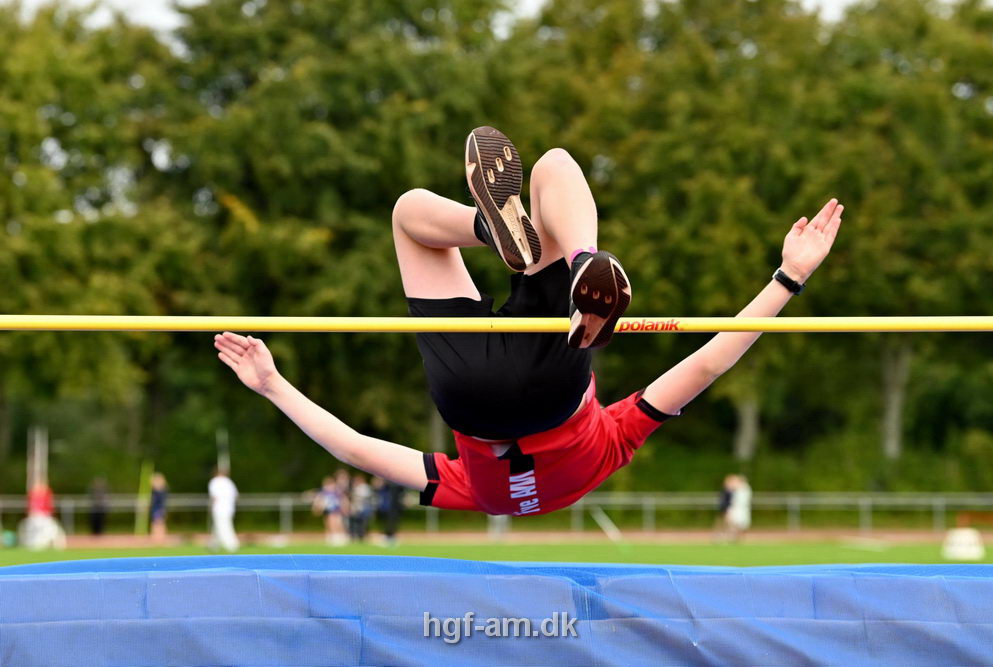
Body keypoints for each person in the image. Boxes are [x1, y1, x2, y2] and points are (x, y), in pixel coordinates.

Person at [214, 126, 843, 517]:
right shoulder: (476, 494)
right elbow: (356, 450)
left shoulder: (604, 457)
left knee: (555, 168)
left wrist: (788, 276)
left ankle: (561, 254)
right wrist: (271, 382)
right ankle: (496, 233)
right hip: (467, 399)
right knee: (408, 216)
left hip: (554, 385)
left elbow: (707, 362)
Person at [208, 467, 240, 552]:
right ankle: (213, 546)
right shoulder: (229, 482)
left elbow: (214, 497)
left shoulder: (214, 481)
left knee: (224, 527)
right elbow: (236, 496)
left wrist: (211, 507)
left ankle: (232, 545)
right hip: (229, 508)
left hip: (219, 508)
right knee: (217, 527)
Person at [312, 474, 348, 546]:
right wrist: (317, 508)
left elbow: (343, 500)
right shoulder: (324, 492)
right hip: (328, 510)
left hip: (336, 509)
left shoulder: (337, 492)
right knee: (329, 523)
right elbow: (319, 500)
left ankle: (341, 537)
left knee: (338, 523)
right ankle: (332, 537)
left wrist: (345, 507)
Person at [373, 477, 405, 545]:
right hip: (386, 505)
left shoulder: (397, 484)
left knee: (393, 520)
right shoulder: (387, 483)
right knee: (386, 520)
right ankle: (387, 535)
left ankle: (391, 536)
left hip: (394, 506)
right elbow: (377, 486)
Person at [348, 473, 373, 542]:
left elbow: (365, 497)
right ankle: (354, 536)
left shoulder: (365, 487)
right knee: (355, 523)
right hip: (356, 508)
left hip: (364, 508)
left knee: (363, 523)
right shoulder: (355, 487)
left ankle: (362, 536)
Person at [149, 472, 169, 543]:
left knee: (159, 523)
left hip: (159, 508)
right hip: (156, 508)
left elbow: (160, 500)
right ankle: (157, 537)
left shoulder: (161, 490)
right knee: (157, 523)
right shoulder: (155, 491)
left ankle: (160, 538)